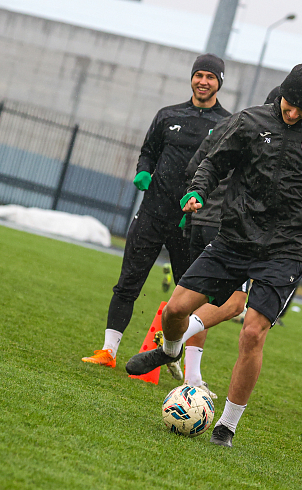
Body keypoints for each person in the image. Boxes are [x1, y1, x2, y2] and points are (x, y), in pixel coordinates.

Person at [126, 63, 302, 447]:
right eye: (288, 104)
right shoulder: (250, 121)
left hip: (286, 249)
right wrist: (198, 191)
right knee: (175, 310)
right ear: (281, 93)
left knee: (252, 332)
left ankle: (226, 427)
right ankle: (170, 351)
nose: (292, 113)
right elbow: (213, 162)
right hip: (234, 238)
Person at [82, 54, 231, 373]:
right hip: (152, 213)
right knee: (127, 283)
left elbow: (225, 172)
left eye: (210, 77)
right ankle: (108, 350)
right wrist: (143, 171)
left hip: (192, 222)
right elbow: (148, 152)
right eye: (199, 75)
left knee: (190, 298)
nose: (203, 81)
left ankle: (178, 359)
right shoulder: (168, 115)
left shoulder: (227, 124)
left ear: (220, 82)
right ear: (191, 78)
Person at [176, 86, 283, 397]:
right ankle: (176, 337)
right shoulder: (267, 137)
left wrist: (199, 196)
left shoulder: (229, 123)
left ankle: (192, 376)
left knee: (202, 300)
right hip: (229, 228)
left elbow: (195, 166)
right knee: (234, 303)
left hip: (200, 219)